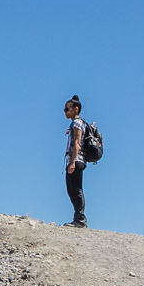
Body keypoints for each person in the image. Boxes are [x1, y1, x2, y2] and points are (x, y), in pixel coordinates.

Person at [63, 95, 88, 227]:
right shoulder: (73, 123)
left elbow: (77, 143)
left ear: (76, 109)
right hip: (73, 160)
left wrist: (72, 163)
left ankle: (80, 220)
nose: (65, 112)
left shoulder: (78, 123)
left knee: (76, 189)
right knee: (71, 189)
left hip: (77, 160)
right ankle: (78, 217)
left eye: (67, 109)